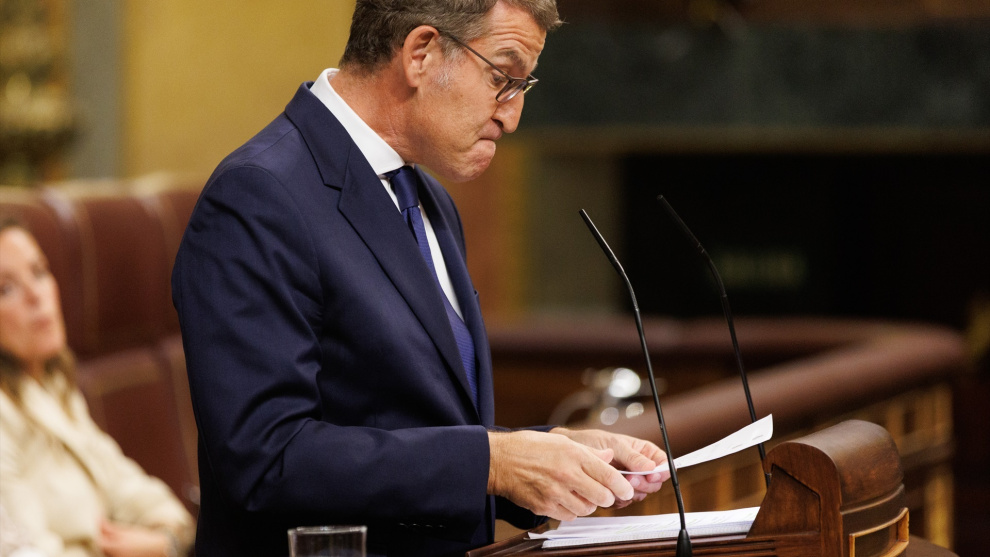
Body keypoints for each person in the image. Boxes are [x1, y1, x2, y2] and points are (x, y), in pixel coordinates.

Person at [171, 1, 668, 555]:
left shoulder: (429, 198)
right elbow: (267, 459)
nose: (512, 116)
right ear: (421, 53)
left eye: (523, 85)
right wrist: (494, 463)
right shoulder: (258, 196)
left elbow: (414, 421)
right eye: (503, 78)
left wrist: (548, 456)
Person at [0, 222, 195, 557]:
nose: (36, 295)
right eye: (5, 289)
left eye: (39, 272)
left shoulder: (55, 387)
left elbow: (148, 500)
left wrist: (167, 542)